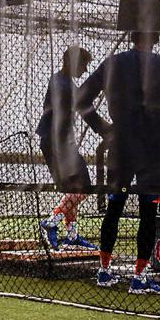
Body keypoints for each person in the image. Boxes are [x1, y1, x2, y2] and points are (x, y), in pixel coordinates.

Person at [76, 31, 160, 294]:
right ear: (155, 39)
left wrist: (105, 129)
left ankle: (104, 270)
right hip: (153, 149)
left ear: (131, 37)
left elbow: (81, 98)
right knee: (148, 212)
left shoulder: (114, 63)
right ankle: (139, 276)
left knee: (114, 207)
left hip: (121, 143)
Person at [36, 47, 97, 250]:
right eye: (83, 65)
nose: (85, 70)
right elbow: (82, 105)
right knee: (84, 186)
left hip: (59, 143)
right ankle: (52, 221)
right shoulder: (61, 83)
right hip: (57, 143)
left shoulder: (64, 82)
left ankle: (71, 236)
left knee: (74, 188)